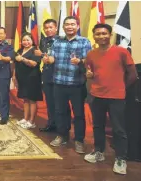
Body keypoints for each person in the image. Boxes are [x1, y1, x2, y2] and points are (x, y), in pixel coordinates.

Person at [84, 23, 138, 175]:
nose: (101, 36)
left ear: (110, 34)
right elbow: (91, 72)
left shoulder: (121, 52)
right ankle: (99, 152)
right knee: (97, 126)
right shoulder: (91, 54)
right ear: (94, 36)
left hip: (116, 97)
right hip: (96, 96)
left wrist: (120, 88)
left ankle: (121, 158)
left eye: (104, 33)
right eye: (98, 34)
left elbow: (133, 75)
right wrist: (89, 76)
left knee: (119, 129)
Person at [46, 16, 91, 154]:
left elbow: (89, 61)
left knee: (78, 114)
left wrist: (80, 61)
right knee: (60, 112)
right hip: (59, 83)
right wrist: (48, 59)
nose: (69, 27)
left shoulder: (84, 42)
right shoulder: (57, 42)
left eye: (72, 24)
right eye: (67, 24)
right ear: (63, 27)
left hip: (77, 84)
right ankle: (62, 135)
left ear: (77, 26)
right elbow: (53, 57)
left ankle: (79, 140)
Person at [37, 19, 71, 132]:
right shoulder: (43, 41)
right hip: (47, 74)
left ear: (56, 28)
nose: (48, 30)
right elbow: (44, 57)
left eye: (51, 27)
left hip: (59, 75)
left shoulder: (62, 40)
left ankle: (64, 127)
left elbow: (63, 58)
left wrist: (43, 55)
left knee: (61, 104)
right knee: (50, 102)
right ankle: (51, 123)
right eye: (46, 28)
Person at [14, 32, 42, 129]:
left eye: (28, 40)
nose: (25, 42)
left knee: (32, 100)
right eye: (24, 40)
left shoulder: (36, 50)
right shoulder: (19, 50)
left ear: (32, 41)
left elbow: (34, 64)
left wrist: (22, 59)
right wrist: (14, 77)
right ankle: (25, 118)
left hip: (33, 78)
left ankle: (32, 121)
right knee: (25, 99)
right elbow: (16, 65)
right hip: (22, 78)